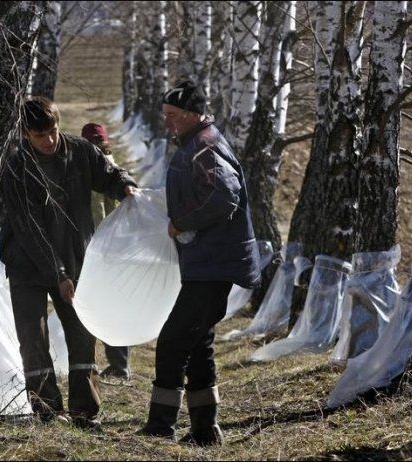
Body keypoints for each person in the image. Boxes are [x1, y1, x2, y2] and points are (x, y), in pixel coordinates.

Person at [0, 97, 137, 428]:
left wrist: (125, 185)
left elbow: (108, 173)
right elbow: (30, 230)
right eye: (39, 136)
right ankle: (47, 411)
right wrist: (58, 274)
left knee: (81, 334)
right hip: (27, 265)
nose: (48, 141)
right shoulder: (16, 168)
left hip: (76, 259)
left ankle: (83, 411)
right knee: (32, 337)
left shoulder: (80, 151)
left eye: (52, 132)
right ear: (25, 134)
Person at [137, 80, 261, 446]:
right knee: (197, 344)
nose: (168, 122)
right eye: (165, 116)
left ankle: (161, 427)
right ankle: (206, 432)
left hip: (213, 264)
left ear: (193, 114)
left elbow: (224, 197)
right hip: (207, 263)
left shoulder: (203, 148)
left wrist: (182, 222)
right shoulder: (197, 144)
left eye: (173, 116)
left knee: (174, 341)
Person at [81, 122, 131, 381]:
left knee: (104, 307)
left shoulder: (97, 171)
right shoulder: (115, 170)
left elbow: (99, 212)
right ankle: (117, 364)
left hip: (102, 248)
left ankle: (118, 366)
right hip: (112, 247)